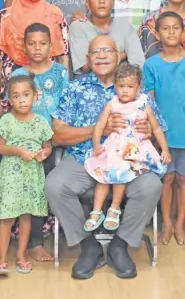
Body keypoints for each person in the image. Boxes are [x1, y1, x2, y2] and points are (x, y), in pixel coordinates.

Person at [45, 35, 166, 280]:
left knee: (152, 186)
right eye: (94, 52)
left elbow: (159, 130)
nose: (101, 55)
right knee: (55, 186)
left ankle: (120, 245)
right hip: (83, 158)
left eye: (107, 50)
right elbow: (57, 135)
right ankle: (88, 246)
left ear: (119, 54)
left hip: (129, 163)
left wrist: (149, 133)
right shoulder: (74, 87)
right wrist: (99, 130)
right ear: (87, 59)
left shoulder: (137, 90)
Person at [84, 63, 170, 232]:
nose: (124, 90)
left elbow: (157, 128)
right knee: (104, 176)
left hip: (133, 149)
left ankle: (114, 208)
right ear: (115, 85)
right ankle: (96, 211)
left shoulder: (144, 104)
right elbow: (100, 125)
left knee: (119, 173)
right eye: (121, 86)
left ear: (139, 87)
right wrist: (96, 144)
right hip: (114, 147)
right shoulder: (112, 103)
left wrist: (164, 149)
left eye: (130, 87)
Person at [143, 11, 185, 246]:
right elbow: (150, 101)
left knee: (184, 180)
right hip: (164, 135)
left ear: (183, 32)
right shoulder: (151, 64)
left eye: (176, 27)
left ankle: (180, 225)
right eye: (165, 28)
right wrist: (155, 135)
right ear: (157, 34)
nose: (171, 32)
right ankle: (166, 223)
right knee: (166, 179)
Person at [0, 75, 54, 275]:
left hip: (31, 176)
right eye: (16, 96)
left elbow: (48, 146)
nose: (22, 100)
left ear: (35, 96)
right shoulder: (7, 120)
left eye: (26, 95)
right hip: (11, 177)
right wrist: (19, 151)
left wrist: (45, 153)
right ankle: (1, 259)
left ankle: (21, 255)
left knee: (26, 216)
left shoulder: (41, 122)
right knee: (7, 219)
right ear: (10, 100)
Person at [0, 0, 70, 118]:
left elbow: (63, 55)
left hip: (50, 87)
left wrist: (65, 93)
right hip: (14, 91)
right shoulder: (5, 17)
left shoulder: (55, 14)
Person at [69, 0, 145, 76]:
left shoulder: (124, 26)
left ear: (113, 2)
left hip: (121, 84)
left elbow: (138, 64)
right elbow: (85, 68)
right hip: (89, 86)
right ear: (87, 3)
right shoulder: (78, 27)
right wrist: (123, 54)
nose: (102, 1)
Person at [11, 23, 69, 126]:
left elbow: (66, 106)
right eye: (31, 44)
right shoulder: (17, 75)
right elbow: (14, 110)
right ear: (24, 48)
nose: (37, 48)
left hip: (56, 133)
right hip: (27, 134)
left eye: (43, 43)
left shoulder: (61, 72)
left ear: (50, 47)